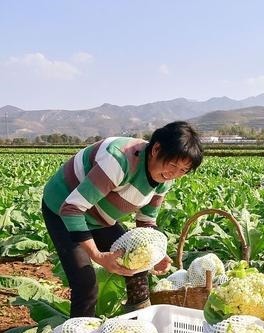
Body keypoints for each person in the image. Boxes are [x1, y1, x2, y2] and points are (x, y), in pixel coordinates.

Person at [41, 121, 203, 317]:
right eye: (172, 165)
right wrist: (97, 255)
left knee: (138, 263)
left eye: (182, 171)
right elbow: (72, 208)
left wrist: (155, 254)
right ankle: (81, 327)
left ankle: (138, 323)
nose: (174, 174)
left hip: (99, 218)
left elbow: (146, 221)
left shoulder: (165, 179)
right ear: (156, 149)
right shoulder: (119, 160)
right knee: (85, 283)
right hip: (62, 209)